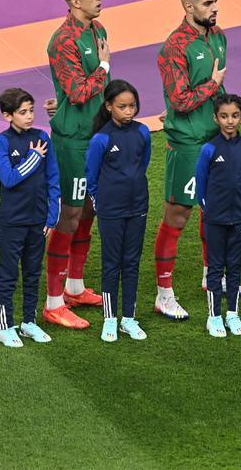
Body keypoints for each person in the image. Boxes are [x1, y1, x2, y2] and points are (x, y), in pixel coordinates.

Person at [154, 0, 234, 321]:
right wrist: (213, 85)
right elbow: (179, 101)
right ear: (188, 7)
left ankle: (211, 277)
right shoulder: (174, 47)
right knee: (177, 215)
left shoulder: (218, 36)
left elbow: (216, 90)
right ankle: (163, 294)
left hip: (213, 138)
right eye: (206, 3)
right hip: (187, 143)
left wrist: (228, 113)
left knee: (213, 209)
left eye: (215, 1)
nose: (214, 8)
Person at [43, 0, 109, 329]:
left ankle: (74, 286)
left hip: (96, 135)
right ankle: (53, 303)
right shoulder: (62, 41)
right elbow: (80, 91)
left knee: (88, 211)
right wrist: (103, 66)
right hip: (73, 142)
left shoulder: (97, 31)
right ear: (74, 1)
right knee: (69, 215)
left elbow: (87, 91)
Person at [0, 88, 59, 347]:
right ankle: (5, 326)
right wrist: (33, 157)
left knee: (32, 272)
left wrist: (51, 218)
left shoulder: (42, 137)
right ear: (7, 115)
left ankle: (29, 322)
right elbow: (8, 179)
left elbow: (53, 178)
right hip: (12, 221)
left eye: (31, 111)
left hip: (38, 221)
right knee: (8, 274)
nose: (29, 116)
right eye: (22, 112)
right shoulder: (2, 143)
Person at [86, 80, 151, 343]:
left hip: (138, 205)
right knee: (112, 263)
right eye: (122, 106)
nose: (128, 111)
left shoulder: (143, 132)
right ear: (109, 106)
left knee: (132, 263)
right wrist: (100, 201)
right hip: (111, 208)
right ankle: (110, 319)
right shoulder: (101, 139)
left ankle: (129, 319)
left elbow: (142, 163)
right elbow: (92, 175)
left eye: (132, 106)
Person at [194, 93, 241, 338]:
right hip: (215, 218)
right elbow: (202, 183)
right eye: (224, 116)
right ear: (216, 118)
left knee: (235, 266)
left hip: (239, 216)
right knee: (216, 268)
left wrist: (240, 206)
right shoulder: (209, 149)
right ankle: (214, 316)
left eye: (235, 116)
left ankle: (232, 313)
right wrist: (210, 210)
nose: (230, 121)